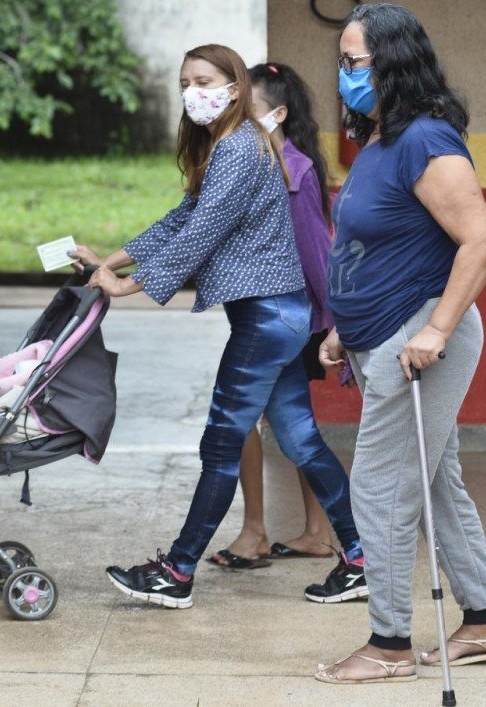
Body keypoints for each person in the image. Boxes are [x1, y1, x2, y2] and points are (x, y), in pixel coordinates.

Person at [72, 44, 367, 609]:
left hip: (266, 318)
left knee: (221, 443)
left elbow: (201, 232)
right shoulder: (234, 146)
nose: (192, 91)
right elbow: (183, 217)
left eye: (204, 79)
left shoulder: (237, 148)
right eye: (185, 81)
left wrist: (130, 287)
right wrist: (110, 262)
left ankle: (177, 571)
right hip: (279, 316)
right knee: (302, 441)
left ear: (234, 87)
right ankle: (359, 560)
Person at [313, 4, 486, 685]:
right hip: (382, 337)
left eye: (356, 62)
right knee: (435, 485)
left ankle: (389, 643)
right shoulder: (379, 142)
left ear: (395, 63)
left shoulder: (428, 140)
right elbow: (377, 243)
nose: (344, 75)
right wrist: (347, 326)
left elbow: (481, 239)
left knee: (379, 485)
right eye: (342, 62)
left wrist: (435, 330)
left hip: (421, 339)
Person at [209, 62, 346, 569]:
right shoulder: (253, 163)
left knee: (254, 422)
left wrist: (333, 323)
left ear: (279, 114)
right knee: (290, 426)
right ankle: (312, 532)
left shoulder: (295, 171)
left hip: (294, 319)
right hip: (264, 315)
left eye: (248, 110)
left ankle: (257, 532)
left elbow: (317, 252)